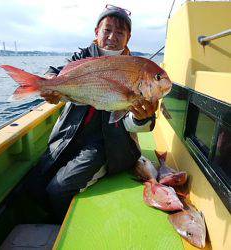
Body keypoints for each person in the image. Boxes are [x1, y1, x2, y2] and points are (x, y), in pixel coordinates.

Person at [28, 4, 158, 223]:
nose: (112, 37)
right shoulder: (81, 57)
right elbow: (55, 72)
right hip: (71, 135)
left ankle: (65, 231)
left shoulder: (137, 71)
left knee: (58, 190)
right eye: (107, 30)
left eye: (119, 32)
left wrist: (141, 117)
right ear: (96, 32)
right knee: (33, 185)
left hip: (109, 144)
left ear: (128, 38)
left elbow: (138, 123)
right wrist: (48, 86)